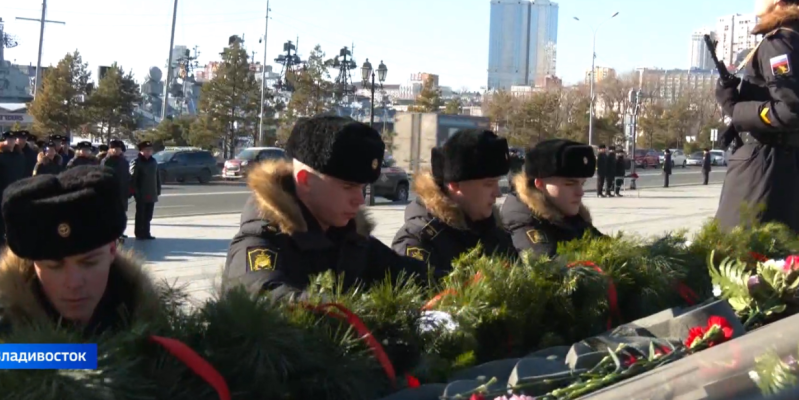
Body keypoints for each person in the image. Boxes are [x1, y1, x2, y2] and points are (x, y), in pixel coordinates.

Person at [0, 166, 163, 400]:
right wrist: (86, 359)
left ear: (113, 250)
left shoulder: (155, 333)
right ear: (32, 263)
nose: (73, 283)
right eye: (54, 266)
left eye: (89, 262)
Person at [221, 115, 434, 300]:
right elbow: (264, 298)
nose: (359, 200)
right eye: (348, 187)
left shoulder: (350, 238)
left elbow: (407, 274)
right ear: (305, 180)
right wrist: (354, 311)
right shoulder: (262, 240)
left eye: (362, 188)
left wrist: (460, 283)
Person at [715, 0, 799, 233]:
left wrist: (735, 108)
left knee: (742, 258)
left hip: (765, 165)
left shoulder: (779, 43)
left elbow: (790, 109)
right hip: (781, 162)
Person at [391, 129, 516, 271]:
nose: (498, 193)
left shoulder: (495, 232)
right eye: (489, 184)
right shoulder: (420, 239)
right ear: (455, 185)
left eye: (497, 183)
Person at [500, 139, 604, 256]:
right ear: (539, 184)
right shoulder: (524, 217)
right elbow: (547, 265)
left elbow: (607, 247)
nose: (580, 192)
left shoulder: (566, 210)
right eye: (569, 184)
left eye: (582, 184)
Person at [0, 132, 28, 245]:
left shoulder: (20, 155)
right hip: (3, 190)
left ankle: (14, 238)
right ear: (4, 141)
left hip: (17, 190)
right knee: (3, 216)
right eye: (8, 139)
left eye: (13, 139)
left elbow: (23, 173)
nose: (11, 141)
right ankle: (1, 237)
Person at [129, 141, 160, 240]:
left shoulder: (153, 161)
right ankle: (139, 233)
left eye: (150, 150)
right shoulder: (136, 162)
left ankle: (147, 232)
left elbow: (157, 177)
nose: (148, 152)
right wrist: (135, 192)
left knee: (148, 215)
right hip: (141, 192)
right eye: (146, 150)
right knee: (141, 214)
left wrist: (158, 189)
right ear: (141, 151)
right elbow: (133, 178)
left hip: (152, 192)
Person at [102, 139, 131, 241]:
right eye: (113, 148)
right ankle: (110, 234)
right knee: (110, 214)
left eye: (118, 148)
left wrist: (129, 189)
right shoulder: (106, 161)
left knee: (121, 214)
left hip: (122, 192)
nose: (115, 150)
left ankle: (120, 233)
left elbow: (127, 177)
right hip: (110, 192)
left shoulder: (124, 162)